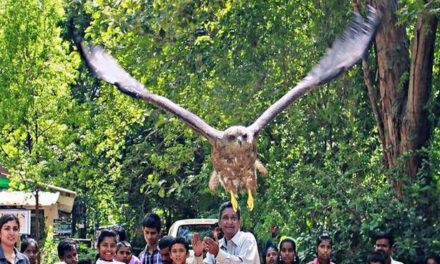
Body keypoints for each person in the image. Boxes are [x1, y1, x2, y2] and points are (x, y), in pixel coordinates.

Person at [192, 201, 260, 264]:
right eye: (225, 218)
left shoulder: (248, 239)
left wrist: (218, 254)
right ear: (219, 223)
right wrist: (198, 255)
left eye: (233, 218)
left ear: (240, 222)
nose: (230, 222)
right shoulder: (216, 246)